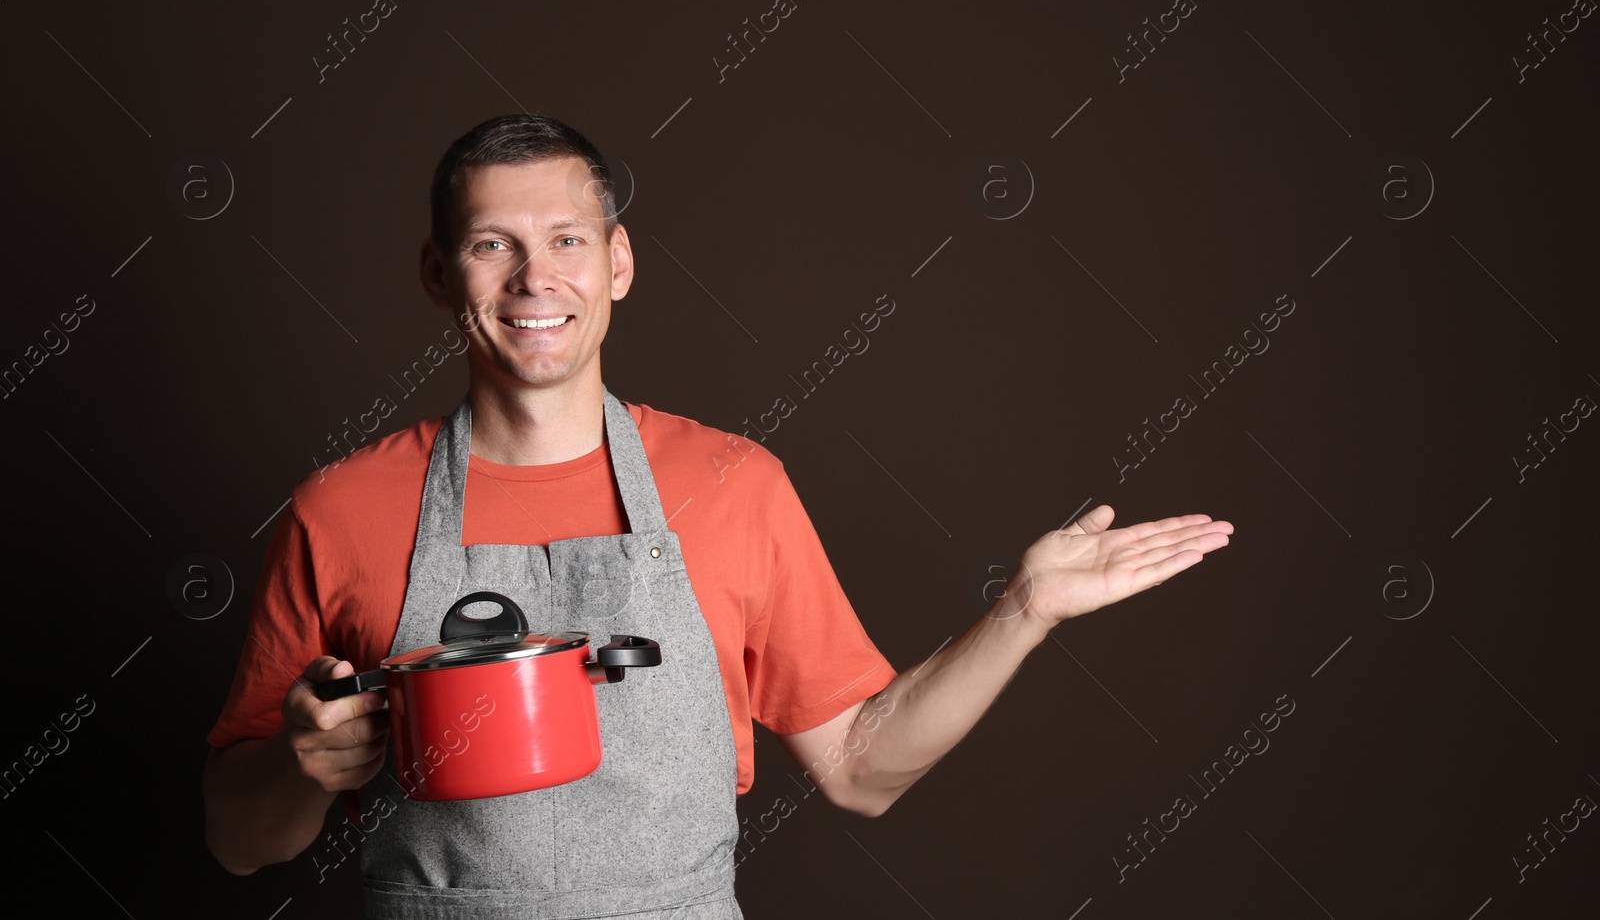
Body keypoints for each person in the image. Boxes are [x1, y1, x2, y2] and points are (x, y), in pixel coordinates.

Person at [202, 114, 1233, 918]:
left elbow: (862, 767)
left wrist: (1023, 610)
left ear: (617, 263)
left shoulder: (733, 483)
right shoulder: (341, 508)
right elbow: (240, 839)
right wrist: (301, 760)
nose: (534, 278)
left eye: (566, 237)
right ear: (440, 273)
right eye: (490, 244)